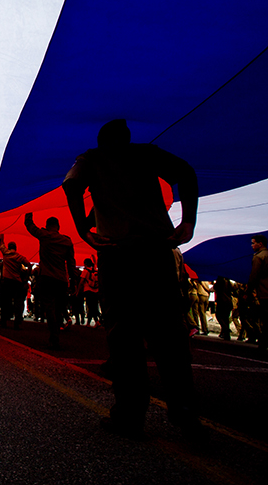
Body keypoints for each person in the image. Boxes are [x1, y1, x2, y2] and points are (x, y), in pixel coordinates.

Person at [62, 119, 201, 439]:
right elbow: (186, 172)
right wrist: (188, 221)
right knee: (169, 333)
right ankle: (185, 412)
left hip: (118, 253)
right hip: (156, 251)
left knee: (124, 335)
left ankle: (130, 413)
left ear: (101, 140)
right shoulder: (146, 154)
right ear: (127, 138)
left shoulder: (91, 158)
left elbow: (71, 185)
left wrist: (84, 229)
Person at [24, 213, 76, 348]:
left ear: (47, 226)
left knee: (50, 307)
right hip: (61, 279)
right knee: (58, 308)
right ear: (58, 226)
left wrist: (29, 210)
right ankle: (56, 333)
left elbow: (29, 225)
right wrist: (73, 282)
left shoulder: (44, 236)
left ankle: (54, 335)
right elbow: (71, 265)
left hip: (46, 277)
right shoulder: (67, 241)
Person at [0, 234, 31, 329]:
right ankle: (17, 322)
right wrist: (26, 278)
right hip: (17, 282)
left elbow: (1, 242)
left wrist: (2, 234)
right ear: (16, 248)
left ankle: (4, 320)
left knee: (5, 302)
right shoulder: (19, 257)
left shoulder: (5, 254)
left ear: (8, 247)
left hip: (6, 281)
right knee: (18, 302)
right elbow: (29, 265)